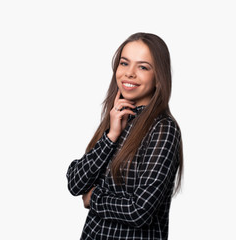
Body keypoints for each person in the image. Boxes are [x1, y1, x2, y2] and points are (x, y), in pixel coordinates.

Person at [66, 32, 183, 240]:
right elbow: (76, 183)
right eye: (124, 63)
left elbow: (140, 210)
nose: (129, 73)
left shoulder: (163, 129)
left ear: (159, 77)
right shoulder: (116, 119)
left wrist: (95, 199)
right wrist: (110, 136)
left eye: (143, 67)